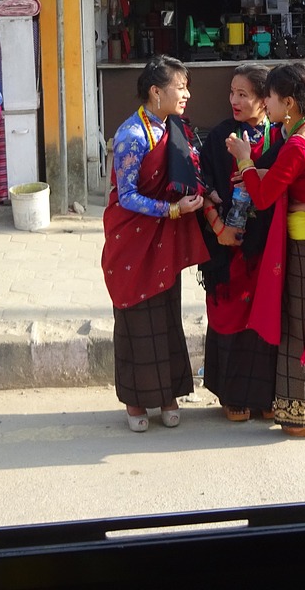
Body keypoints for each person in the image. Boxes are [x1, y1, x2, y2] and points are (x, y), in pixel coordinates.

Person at [225, 63, 305, 439]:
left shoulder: (296, 144)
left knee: (300, 327)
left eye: (269, 97)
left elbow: (264, 199)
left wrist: (245, 159)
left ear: (288, 102)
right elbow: (301, 178)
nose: (265, 102)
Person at [100, 55, 207, 433]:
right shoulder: (132, 135)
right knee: (135, 322)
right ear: (155, 91)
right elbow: (126, 196)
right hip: (133, 242)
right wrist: (174, 210)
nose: (186, 94)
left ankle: (167, 394)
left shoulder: (170, 127)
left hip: (161, 242)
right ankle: (135, 400)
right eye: (180, 87)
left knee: (165, 316)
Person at [196, 63, 284, 422]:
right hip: (228, 246)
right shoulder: (218, 138)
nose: (234, 100)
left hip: (266, 244)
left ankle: (264, 395)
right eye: (232, 92)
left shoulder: (279, 138)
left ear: (265, 100)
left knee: (263, 315)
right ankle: (233, 395)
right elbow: (201, 191)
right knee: (231, 313)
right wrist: (219, 229)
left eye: (243, 94)